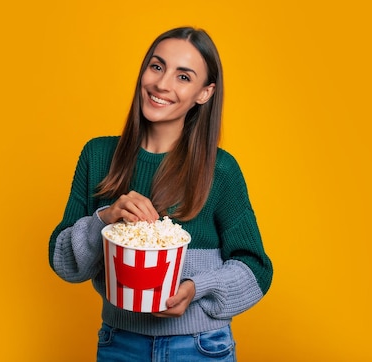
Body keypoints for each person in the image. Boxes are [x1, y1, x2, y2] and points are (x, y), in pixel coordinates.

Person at [48, 26, 273, 361]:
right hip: (119, 343)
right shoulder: (98, 156)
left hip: (201, 345)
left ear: (204, 93)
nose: (162, 84)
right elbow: (64, 263)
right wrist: (105, 218)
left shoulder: (220, 170)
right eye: (157, 66)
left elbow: (255, 268)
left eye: (184, 77)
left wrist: (196, 289)